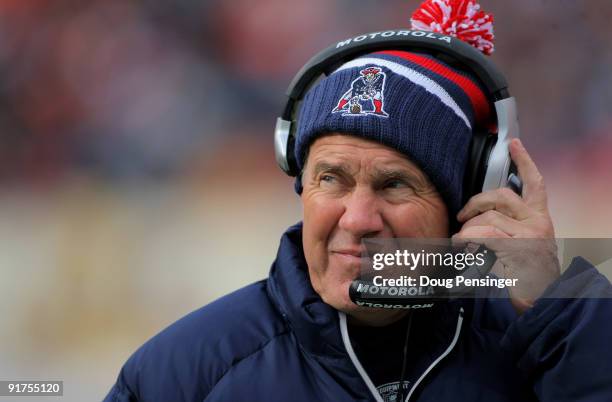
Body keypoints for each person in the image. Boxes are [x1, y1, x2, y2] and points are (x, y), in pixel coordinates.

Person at [104, 2, 612, 401]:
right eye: (332, 179)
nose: (358, 218)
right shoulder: (179, 375)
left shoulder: (553, 345)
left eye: (394, 184)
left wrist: (561, 312)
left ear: (471, 202)